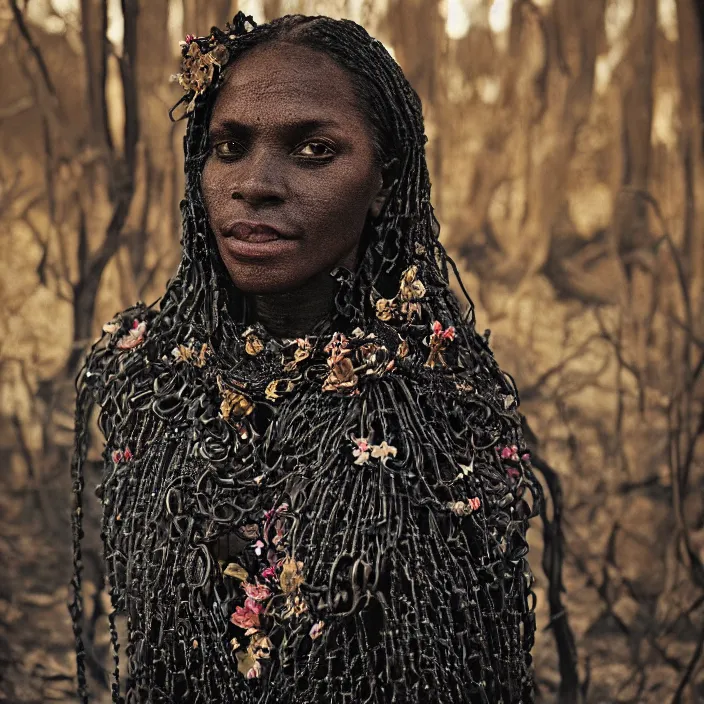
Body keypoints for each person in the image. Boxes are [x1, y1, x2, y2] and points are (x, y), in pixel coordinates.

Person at [69, 11, 542, 704]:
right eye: (228, 147)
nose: (254, 182)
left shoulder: (442, 411)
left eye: (313, 150)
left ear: (384, 180)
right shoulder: (149, 374)